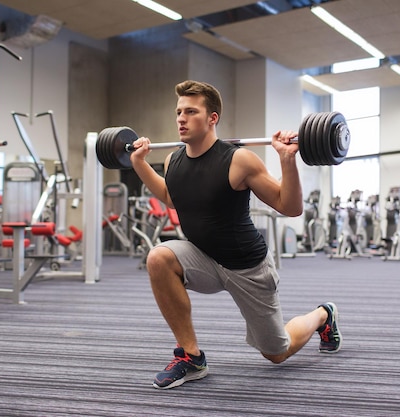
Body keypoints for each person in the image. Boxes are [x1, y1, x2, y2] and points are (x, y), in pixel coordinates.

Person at [129, 80, 342, 390]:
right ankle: (191, 357)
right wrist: (138, 163)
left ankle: (323, 315)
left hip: (247, 268)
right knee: (159, 257)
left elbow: (290, 206)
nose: (181, 119)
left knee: (277, 352)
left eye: (191, 111)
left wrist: (286, 160)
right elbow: (171, 197)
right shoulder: (174, 159)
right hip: (204, 258)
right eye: (178, 112)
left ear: (212, 118)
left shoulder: (238, 159)